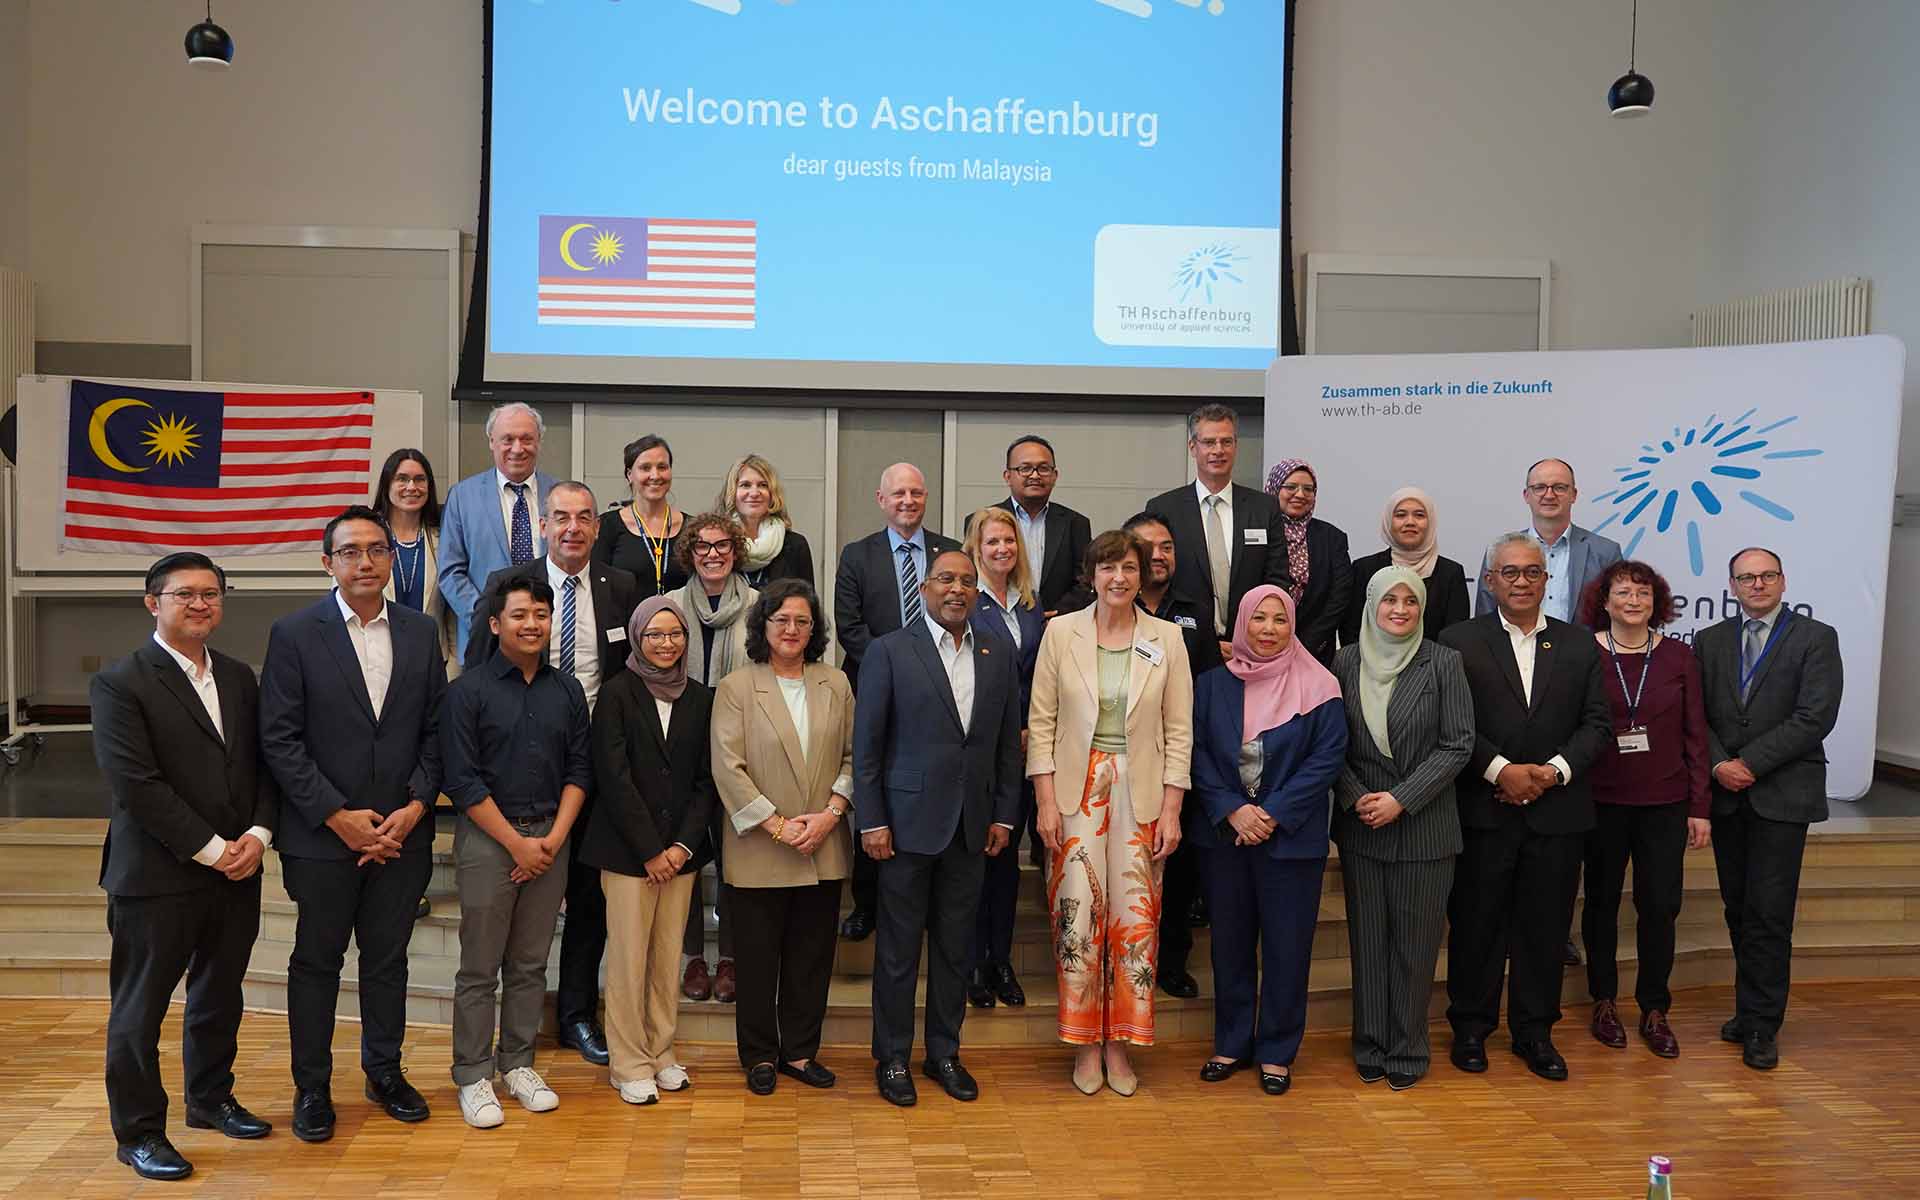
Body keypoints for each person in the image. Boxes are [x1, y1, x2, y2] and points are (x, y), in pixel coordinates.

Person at [258, 507, 446, 1143]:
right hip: (321, 836)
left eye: (376, 549)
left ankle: (384, 1072)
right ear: (328, 562)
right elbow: (279, 740)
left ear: (393, 559)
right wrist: (336, 815)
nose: (364, 562)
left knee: (388, 960)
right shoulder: (294, 633)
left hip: (403, 831)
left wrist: (417, 806)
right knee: (317, 962)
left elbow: (436, 732)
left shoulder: (422, 633)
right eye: (349, 551)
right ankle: (311, 1086)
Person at [91, 553, 279, 1181]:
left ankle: (210, 1098)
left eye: (212, 595)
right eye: (185, 594)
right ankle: (140, 1132)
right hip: (157, 875)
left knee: (218, 996)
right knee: (140, 1011)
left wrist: (254, 835)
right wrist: (211, 848)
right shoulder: (122, 681)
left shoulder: (237, 675)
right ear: (153, 602)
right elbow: (136, 785)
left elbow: (259, 764)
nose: (201, 604)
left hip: (237, 868)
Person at [465, 481, 640, 1069]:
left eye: (584, 518)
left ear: (598, 526)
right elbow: (475, 670)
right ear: (543, 525)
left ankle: (574, 1016)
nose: (572, 528)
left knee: (588, 897)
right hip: (512, 771)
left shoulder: (622, 587)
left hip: (591, 769)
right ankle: (489, 1052)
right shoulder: (507, 587)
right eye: (560, 517)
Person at [854, 550, 1023, 1107]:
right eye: (947, 579)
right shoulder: (889, 651)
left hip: (972, 827)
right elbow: (869, 747)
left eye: (968, 582)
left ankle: (945, 1053)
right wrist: (872, 819)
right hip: (903, 828)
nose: (958, 589)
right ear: (923, 588)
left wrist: (1003, 813)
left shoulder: (996, 653)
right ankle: (893, 1058)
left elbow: (1003, 744)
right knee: (899, 951)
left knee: (955, 950)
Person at [1440, 534, 1610, 1082]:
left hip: (1557, 815)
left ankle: (1534, 1033)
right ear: (1488, 581)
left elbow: (1597, 725)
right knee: (1477, 925)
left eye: (1531, 573)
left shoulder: (1581, 645)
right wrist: (1501, 771)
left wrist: (1551, 773)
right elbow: (1452, 723)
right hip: (1483, 810)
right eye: (1508, 572)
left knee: (1544, 929)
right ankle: (1470, 1028)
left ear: (1546, 580)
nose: (1520, 581)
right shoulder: (1457, 642)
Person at [1028, 531, 1193, 1097]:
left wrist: (1172, 810)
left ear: (1142, 573)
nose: (1118, 578)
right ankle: (1084, 1044)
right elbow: (1042, 725)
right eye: (1106, 568)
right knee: (1077, 915)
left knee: (1134, 922)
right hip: (1075, 792)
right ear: (1089, 575)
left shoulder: (1167, 638)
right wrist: (1045, 801)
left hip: (1140, 790)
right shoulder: (1059, 632)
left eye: (1127, 567)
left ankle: (1121, 1042)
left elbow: (1178, 732)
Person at [442, 577, 591, 1128]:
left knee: (530, 964)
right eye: (521, 615)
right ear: (496, 623)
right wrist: (516, 844)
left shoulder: (568, 690)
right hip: (489, 841)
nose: (533, 624)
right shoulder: (467, 691)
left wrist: (552, 840)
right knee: (480, 967)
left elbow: (581, 768)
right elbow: (462, 780)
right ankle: (474, 1073)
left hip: (551, 838)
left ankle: (518, 1064)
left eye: (542, 615)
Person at [1189, 586, 1346, 1096]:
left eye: (1281, 619)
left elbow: (1326, 759)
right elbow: (1196, 754)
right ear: (1241, 624)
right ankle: (1232, 1042)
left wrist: (1272, 813)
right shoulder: (1211, 686)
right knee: (1230, 945)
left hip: (1290, 840)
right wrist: (1232, 809)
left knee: (1287, 948)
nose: (1270, 629)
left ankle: (1277, 1051)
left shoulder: (1320, 685)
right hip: (1226, 837)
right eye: (1259, 618)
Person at [1695, 548, 1842, 1071]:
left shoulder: (1815, 638)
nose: (1757, 584)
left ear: (1783, 581)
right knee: (1739, 908)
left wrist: (1749, 764)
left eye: (1767, 576)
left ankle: (1762, 1025)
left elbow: (1814, 717)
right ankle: (1747, 1008)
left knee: (1769, 914)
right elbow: (1699, 716)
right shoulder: (1709, 641)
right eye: (1746, 578)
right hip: (1728, 797)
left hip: (1781, 794)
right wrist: (1718, 767)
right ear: (1731, 585)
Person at [710, 580, 857, 1095]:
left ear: (813, 630)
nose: (791, 629)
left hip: (823, 842)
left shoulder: (835, 683)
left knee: (811, 958)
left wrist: (830, 815)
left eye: (801, 621)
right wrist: (778, 826)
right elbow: (728, 769)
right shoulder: (736, 687)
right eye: (781, 620)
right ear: (763, 627)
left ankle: (798, 1051)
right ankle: (758, 1056)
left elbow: (854, 757)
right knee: (756, 959)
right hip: (758, 847)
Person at [1330, 566, 1474, 1090]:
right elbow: (1330, 743)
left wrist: (1401, 799)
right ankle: (1369, 1042)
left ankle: (1408, 1050)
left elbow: (1459, 743)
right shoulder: (1344, 662)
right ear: (1371, 604)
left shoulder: (1444, 662)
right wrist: (1355, 797)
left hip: (1424, 830)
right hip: (1362, 825)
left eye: (1409, 601)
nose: (1399, 609)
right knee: (1368, 944)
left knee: (1414, 949)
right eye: (1388, 599)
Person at [1474, 458, 1621, 969]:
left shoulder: (1604, 552)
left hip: (1569, 689)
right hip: (1507, 696)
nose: (1550, 494)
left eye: (1560, 486)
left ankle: (1553, 935)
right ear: (1526, 493)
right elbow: (1480, 628)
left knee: (1553, 878)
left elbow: (1611, 624)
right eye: (1540, 486)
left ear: (1575, 494)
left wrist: (1553, 770)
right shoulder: (1502, 551)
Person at [580, 596, 717, 1105]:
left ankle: (661, 1053)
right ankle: (628, 1062)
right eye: (655, 634)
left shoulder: (702, 699)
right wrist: (650, 851)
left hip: (680, 856)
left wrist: (681, 847)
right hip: (625, 854)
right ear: (638, 637)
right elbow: (613, 780)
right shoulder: (616, 694)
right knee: (628, 961)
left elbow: (707, 782)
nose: (666, 643)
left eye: (675, 634)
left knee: (665, 961)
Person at [1577, 560, 1711, 1059]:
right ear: (1604, 601)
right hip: (1601, 800)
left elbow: (1696, 733)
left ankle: (1655, 1008)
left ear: (1657, 603)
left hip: (1665, 803)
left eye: (1643, 594)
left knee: (1659, 906)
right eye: (1622, 593)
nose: (1632, 601)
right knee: (1602, 904)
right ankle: (1604, 1000)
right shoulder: (1583, 652)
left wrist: (1700, 805)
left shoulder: (1679, 656)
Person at [831, 462, 961, 940]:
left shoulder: (949, 553)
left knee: (927, 791)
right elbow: (849, 626)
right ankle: (866, 904)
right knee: (874, 792)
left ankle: (926, 905)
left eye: (916, 493)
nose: (908, 501)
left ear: (926, 498)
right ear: (881, 500)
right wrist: (899, 668)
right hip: (874, 688)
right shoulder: (857, 555)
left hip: (941, 694)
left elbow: (957, 614)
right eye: (898, 494)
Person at [1122, 510, 1220, 999]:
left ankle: (1172, 961)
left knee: (1178, 866)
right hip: (1122, 758)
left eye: (1166, 546)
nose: (1158, 555)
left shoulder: (1195, 607)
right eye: (1146, 546)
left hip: (1181, 759)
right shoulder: (1109, 603)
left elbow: (1207, 685)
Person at [668, 514, 756, 1005]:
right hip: (679, 748)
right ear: (690, 553)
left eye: (723, 545)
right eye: (702, 546)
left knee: (735, 858)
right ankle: (692, 960)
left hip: (741, 749)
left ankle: (730, 959)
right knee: (686, 856)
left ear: (736, 550)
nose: (713, 554)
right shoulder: (669, 607)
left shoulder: (759, 607)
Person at [961, 506, 1047, 1011]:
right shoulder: (966, 601)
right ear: (976, 547)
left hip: (1022, 746)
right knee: (977, 856)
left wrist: (1029, 728)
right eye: (992, 542)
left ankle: (1001, 960)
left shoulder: (1031, 605)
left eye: (1009, 542)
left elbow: (1041, 673)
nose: (1001, 550)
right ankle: (972, 961)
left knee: (1008, 862)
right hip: (979, 746)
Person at [1144, 403, 1293, 661]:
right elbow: (1157, 580)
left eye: (1226, 442)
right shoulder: (1164, 508)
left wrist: (1249, 636)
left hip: (1250, 646)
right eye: (1209, 442)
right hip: (1183, 642)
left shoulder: (1264, 507)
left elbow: (1276, 579)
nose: (1218, 451)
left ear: (1236, 445)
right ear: (1193, 447)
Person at [437, 402, 557, 660]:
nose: (517, 448)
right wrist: (489, 617)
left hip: (551, 638)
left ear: (539, 442)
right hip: (485, 641)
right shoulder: (462, 497)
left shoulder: (559, 493)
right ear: (492, 441)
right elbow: (450, 572)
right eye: (507, 439)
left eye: (527, 439)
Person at [970, 434, 1092, 614]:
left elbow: (1085, 580)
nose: (1035, 475)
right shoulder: (982, 521)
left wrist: (1058, 615)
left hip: (1059, 624)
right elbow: (974, 578)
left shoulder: (1075, 523)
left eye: (1043, 468)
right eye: (1025, 468)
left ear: (1055, 475)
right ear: (1008, 476)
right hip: (997, 622)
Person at [1340, 487, 1472, 646]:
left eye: (1419, 515)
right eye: (1401, 515)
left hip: (1434, 668)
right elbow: (1351, 631)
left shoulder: (1451, 573)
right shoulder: (1364, 569)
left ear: (1430, 522)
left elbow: (1455, 636)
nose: (1410, 522)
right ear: (1389, 521)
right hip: (1369, 667)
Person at [371, 447, 457, 671]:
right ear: (387, 485)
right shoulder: (365, 537)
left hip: (432, 663)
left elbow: (452, 613)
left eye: (420, 479)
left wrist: (454, 671)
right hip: (376, 663)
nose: (412, 487)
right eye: (402, 479)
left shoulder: (445, 539)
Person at [1262, 459, 1351, 665]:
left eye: (1308, 489)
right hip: (1261, 646)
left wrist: (1308, 643)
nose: (1300, 494)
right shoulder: (1257, 532)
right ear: (1274, 488)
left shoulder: (1332, 538)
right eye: (1291, 487)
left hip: (1314, 652)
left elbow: (1340, 596)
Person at [595, 434, 689, 600]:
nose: (655, 475)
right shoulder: (606, 526)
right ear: (630, 475)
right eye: (645, 468)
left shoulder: (691, 527)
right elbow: (597, 587)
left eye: (662, 467)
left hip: (680, 624)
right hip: (625, 624)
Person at [714, 453, 815, 587]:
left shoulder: (795, 545)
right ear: (732, 493)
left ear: (772, 494)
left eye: (763, 485)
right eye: (745, 485)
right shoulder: (717, 545)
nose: (755, 493)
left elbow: (806, 603)